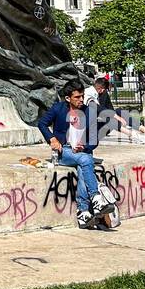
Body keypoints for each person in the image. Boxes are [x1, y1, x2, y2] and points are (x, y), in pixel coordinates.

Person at [38, 83, 105, 228]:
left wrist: (85, 146)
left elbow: (94, 138)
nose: (81, 100)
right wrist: (52, 138)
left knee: (84, 165)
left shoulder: (88, 111)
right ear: (68, 98)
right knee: (86, 160)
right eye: (77, 97)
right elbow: (42, 123)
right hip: (64, 151)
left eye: (82, 96)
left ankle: (83, 212)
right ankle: (96, 197)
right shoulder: (58, 108)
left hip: (82, 152)